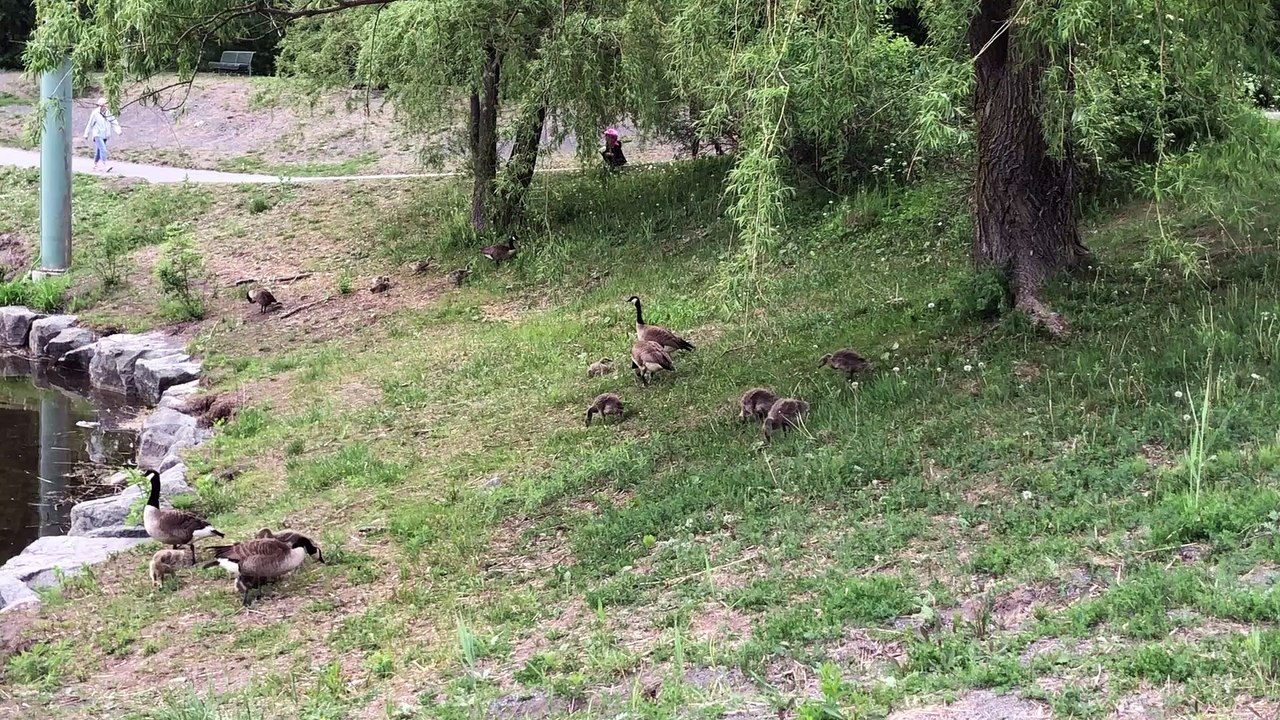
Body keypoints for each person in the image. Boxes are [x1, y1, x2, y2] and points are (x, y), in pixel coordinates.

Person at [83, 98, 122, 172]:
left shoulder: (108, 113)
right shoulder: (95, 113)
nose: (102, 107)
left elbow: (114, 122)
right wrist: (86, 134)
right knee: (103, 149)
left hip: (105, 135)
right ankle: (105, 165)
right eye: (100, 106)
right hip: (97, 134)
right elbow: (90, 124)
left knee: (99, 150)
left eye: (103, 105)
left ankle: (95, 164)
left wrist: (118, 131)